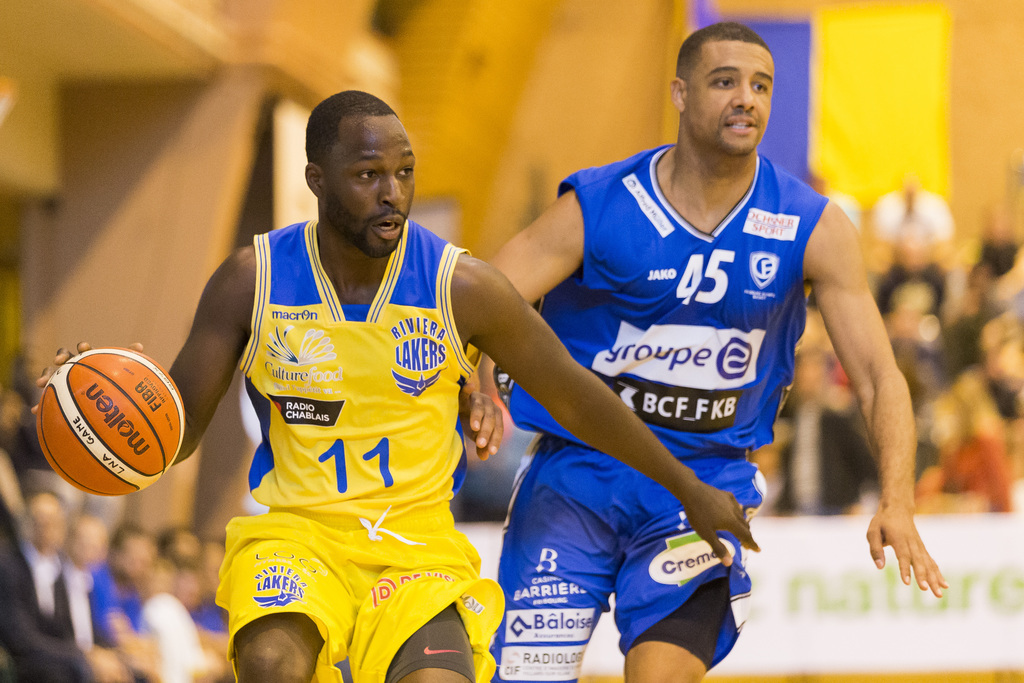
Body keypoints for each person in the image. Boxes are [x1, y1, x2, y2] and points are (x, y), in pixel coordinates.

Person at [37, 90, 755, 683]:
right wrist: (116, 399)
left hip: (415, 551)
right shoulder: (250, 279)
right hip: (299, 538)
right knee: (268, 661)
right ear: (316, 179)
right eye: (369, 175)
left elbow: (575, 393)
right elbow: (177, 433)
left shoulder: (461, 285)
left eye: (405, 172)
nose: (394, 194)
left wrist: (687, 486)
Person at [487, 22, 946, 683]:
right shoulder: (603, 202)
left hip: (701, 490)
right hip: (577, 480)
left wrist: (897, 498)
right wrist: (477, 370)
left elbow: (878, 374)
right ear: (679, 92)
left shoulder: (810, 224)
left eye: (761, 86)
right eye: (725, 81)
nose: (747, 99)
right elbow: (487, 297)